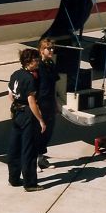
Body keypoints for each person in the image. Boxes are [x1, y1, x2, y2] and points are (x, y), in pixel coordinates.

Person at [7, 48, 46, 192]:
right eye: (36, 60)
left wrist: (16, 104)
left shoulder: (15, 74)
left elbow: (10, 95)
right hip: (27, 115)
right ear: (28, 62)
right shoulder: (30, 79)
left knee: (14, 148)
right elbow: (32, 102)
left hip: (16, 113)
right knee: (28, 150)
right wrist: (41, 120)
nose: (38, 62)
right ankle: (30, 183)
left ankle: (14, 178)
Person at [36, 38, 61, 171]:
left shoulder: (51, 63)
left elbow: (54, 85)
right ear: (41, 50)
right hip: (40, 103)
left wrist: (56, 103)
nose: (51, 50)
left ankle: (41, 158)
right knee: (39, 131)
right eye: (48, 48)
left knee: (48, 131)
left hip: (50, 102)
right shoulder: (37, 66)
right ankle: (34, 160)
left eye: (52, 48)